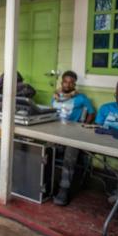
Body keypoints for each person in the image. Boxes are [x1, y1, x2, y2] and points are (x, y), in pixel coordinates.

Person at [51, 70, 96, 206]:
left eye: (71, 82)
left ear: (75, 84)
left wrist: (83, 127)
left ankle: (63, 190)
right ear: (62, 82)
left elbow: (92, 112)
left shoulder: (81, 98)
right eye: (65, 81)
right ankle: (45, 185)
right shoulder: (55, 96)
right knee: (43, 149)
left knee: (70, 154)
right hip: (54, 132)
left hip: (72, 135)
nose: (68, 84)